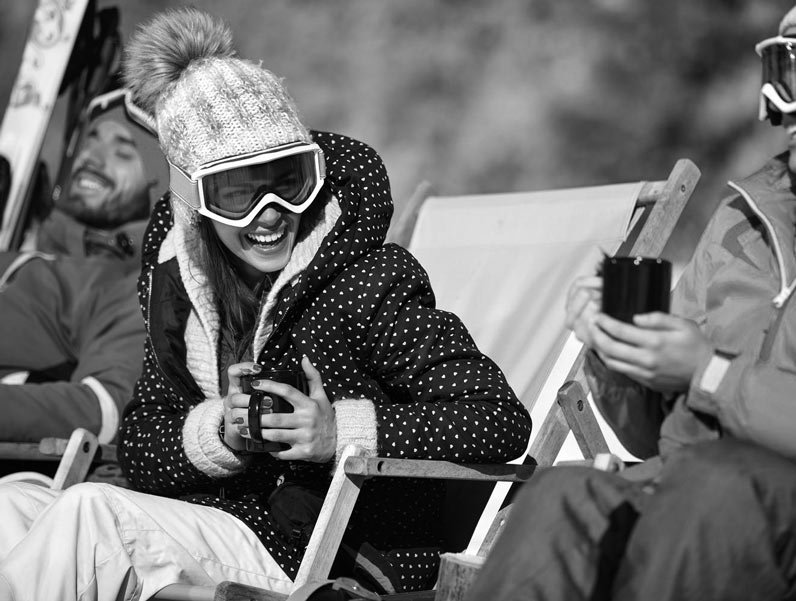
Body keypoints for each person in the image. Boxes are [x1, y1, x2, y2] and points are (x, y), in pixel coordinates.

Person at [0, 7, 531, 600]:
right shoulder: (185, 299)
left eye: (289, 178)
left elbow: (498, 420)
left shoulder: (367, 282)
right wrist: (220, 436)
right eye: (237, 192)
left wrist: (339, 433)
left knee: (90, 516)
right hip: (218, 523)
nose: (271, 212)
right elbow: (142, 447)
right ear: (193, 198)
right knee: (9, 505)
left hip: (330, 552)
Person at [465, 0, 796, 600]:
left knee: (720, 486)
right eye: (770, 76)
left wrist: (712, 374)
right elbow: (649, 439)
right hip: (687, 502)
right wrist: (621, 353)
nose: (773, 106)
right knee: (562, 497)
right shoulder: (747, 219)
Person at [0, 90, 167, 445]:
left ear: (160, 181)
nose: (92, 158)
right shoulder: (24, 252)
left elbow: (104, 407)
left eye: (123, 149)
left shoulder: (132, 288)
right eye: (90, 140)